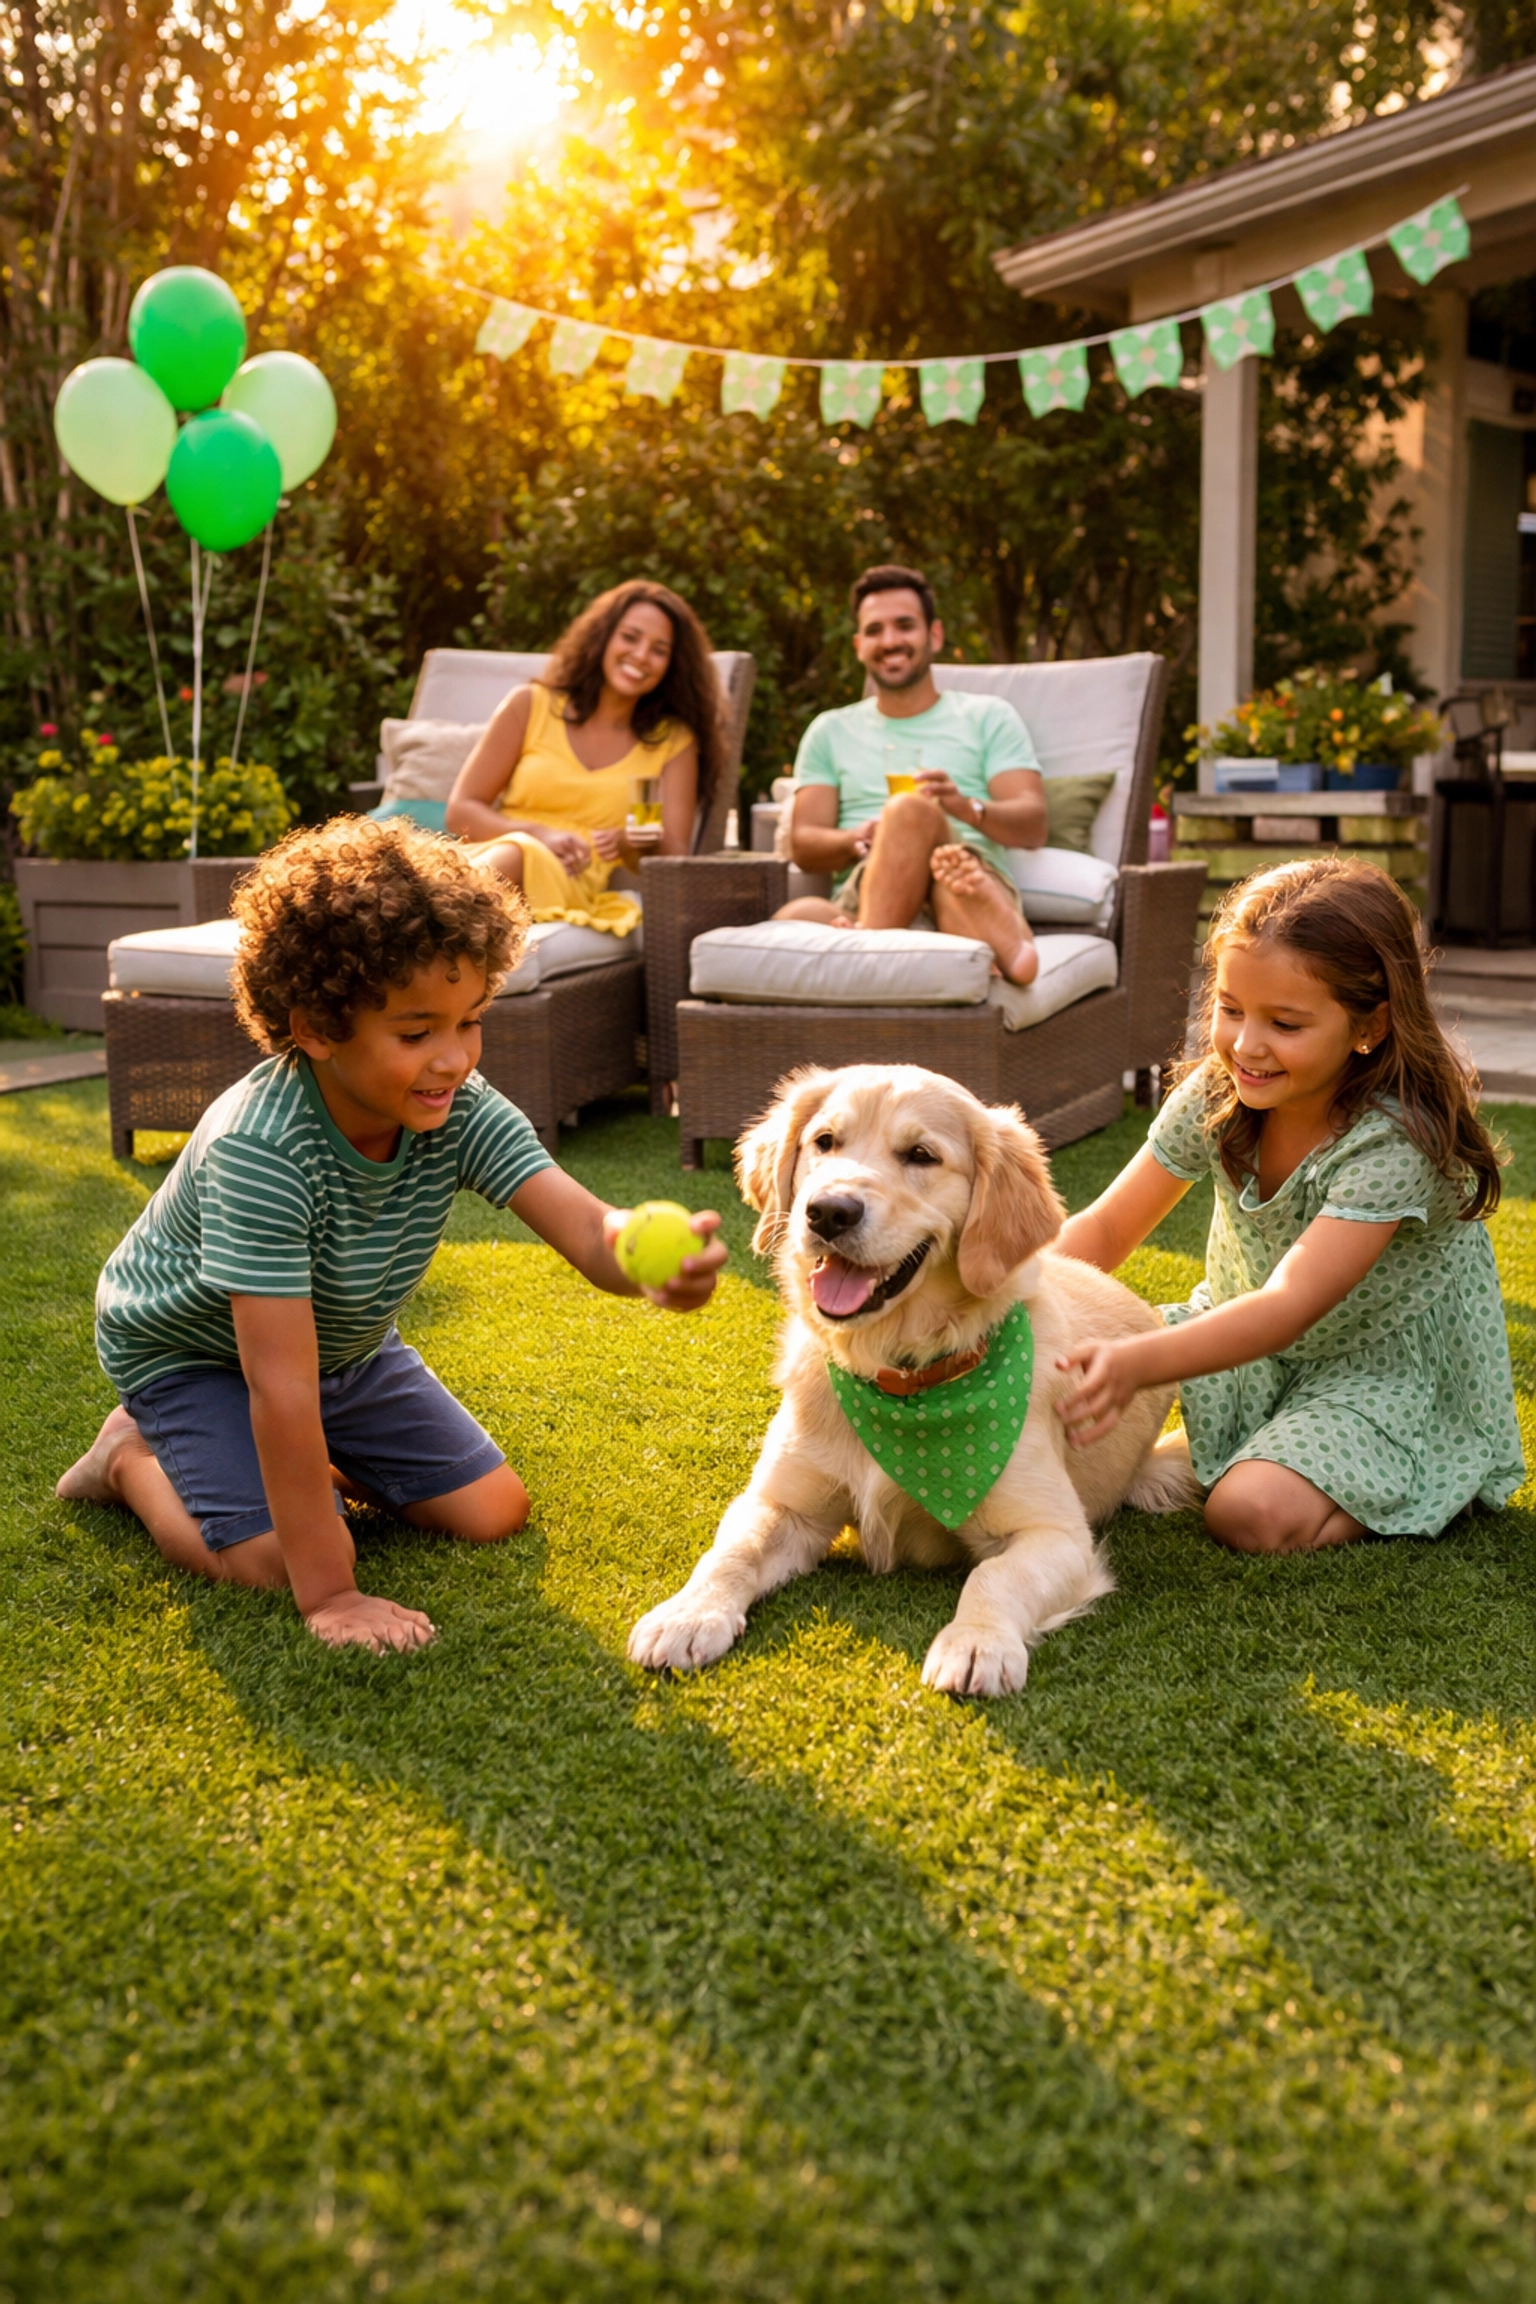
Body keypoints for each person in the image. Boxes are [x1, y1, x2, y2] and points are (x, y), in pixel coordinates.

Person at [56, 818, 725, 1651]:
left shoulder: (459, 1108)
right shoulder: (260, 1149)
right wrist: (331, 1594)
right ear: (316, 1027)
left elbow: (589, 1228)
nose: (454, 1059)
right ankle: (128, 1459)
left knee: (490, 1512)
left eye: (470, 1020)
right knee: (278, 1557)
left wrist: (645, 1261)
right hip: (198, 1355)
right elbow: (281, 1386)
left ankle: (284, 1477)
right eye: (417, 1033)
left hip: (344, 1346)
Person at [1052, 856, 1523, 1554]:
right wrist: (1001, 1297)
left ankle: (1415, 1476)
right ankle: (1266, 1441)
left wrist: (1134, 1364)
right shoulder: (1219, 1092)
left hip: (1375, 1373)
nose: (1247, 1045)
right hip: (1243, 1341)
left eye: (1286, 1024)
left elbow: (1286, 1307)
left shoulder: (1394, 1146)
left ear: (1370, 1026)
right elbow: (1109, 1225)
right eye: (1231, 1009)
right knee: (1058, 1392)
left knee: (1247, 1513)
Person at [779, 564, 1047, 986]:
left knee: (908, 810)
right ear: (858, 645)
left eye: (905, 626)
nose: (889, 641)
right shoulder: (829, 731)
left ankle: (871, 945)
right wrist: (858, 837)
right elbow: (804, 843)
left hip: (962, 873)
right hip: (868, 888)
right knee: (793, 917)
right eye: (874, 630)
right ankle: (998, 943)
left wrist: (965, 807)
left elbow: (1034, 823)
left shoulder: (987, 716)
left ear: (934, 635)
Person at [445, 579, 724, 938]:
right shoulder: (530, 705)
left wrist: (629, 842)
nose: (640, 655)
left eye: (659, 650)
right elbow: (461, 810)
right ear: (604, 637)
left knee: (517, 854)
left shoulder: (672, 742)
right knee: (507, 852)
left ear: (672, 665)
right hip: (490, 854)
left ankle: (428, 906)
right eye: (630, 637)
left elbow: (674, 857)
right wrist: (539, 833)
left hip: (570, 876)